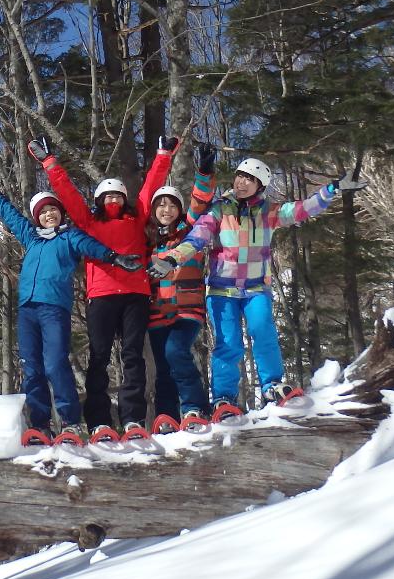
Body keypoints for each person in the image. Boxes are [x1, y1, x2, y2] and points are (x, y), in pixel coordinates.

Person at [149, 158, 367, 416]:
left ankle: (271, 384)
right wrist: (173, 258)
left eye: (249, 179)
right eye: (240, 176)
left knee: (263, 332)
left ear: (259, 186)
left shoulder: (269, 212)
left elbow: (302, 209)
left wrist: (330, 189)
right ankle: (223, 397)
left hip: (255, 289)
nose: (241, 182)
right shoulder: (219, 210)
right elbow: (197, 238)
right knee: (228, 343)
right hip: (221, 290)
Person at [28, 135, 175, 439]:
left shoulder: (136, 220)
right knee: (99, 357)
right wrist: (49, 162)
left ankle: (133, 418)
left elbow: (150, 187)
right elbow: (67, 194)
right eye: (107, 197)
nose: (113, 201)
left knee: (133, 355)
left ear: (124, 200)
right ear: (98, 201)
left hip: (135, 296)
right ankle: (99, 420)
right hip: (102, 297)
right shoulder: (88, 223)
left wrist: (162, 154)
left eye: (118, 196)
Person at [0, 176, 141, 446]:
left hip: (54, 308)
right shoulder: (31, 239)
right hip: (27, 309)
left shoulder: (69, 237)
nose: (49, 214)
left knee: (55, 364)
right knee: (32, 369)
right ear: (37, 217)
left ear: (60, 212)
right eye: (42, 211)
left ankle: (70, 422)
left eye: (52, 208)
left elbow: (91, 245)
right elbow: (13, 218)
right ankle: (41, 425)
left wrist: (114, 257)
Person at [146, 143, 217, 431]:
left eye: (171, 204)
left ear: (178, 209)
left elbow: (200, 201)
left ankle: (194, 406)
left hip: (186, 308)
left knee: (177, 352)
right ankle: (167, 415)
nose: (166, 209)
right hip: (155, 313)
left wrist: (205, 170)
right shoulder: (147, 241)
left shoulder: (189, 230)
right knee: (163, 367)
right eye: (160, 204)